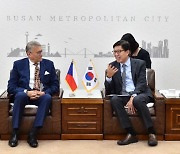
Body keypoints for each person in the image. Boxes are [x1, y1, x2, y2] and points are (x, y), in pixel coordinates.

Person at [104, 40, 157, 146]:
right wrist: (108, 77)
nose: (116, 54)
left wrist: (133, 97)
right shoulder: (112, 66)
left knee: (137, 99)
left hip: (140, 93)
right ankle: (131, 133)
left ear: (127, 52)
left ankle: (151, 132)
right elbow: (109, 91)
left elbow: (142, 83)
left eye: (119, 51)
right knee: (114, 99)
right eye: (114, 52)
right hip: (123, 95)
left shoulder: (139, 64)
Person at [7, 41, 59, 148]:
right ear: (29, 54)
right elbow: (11, 87)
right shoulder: (18, 65)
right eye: (38, 52)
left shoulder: (49, 64)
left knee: (47, 98)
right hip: (25, 95)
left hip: (41, 95)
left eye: (41, 52)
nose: (41, 54)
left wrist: (44, 92)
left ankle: (33, 133)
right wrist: (27, 92)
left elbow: (55, 85)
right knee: (20, 95)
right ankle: (15, 133)